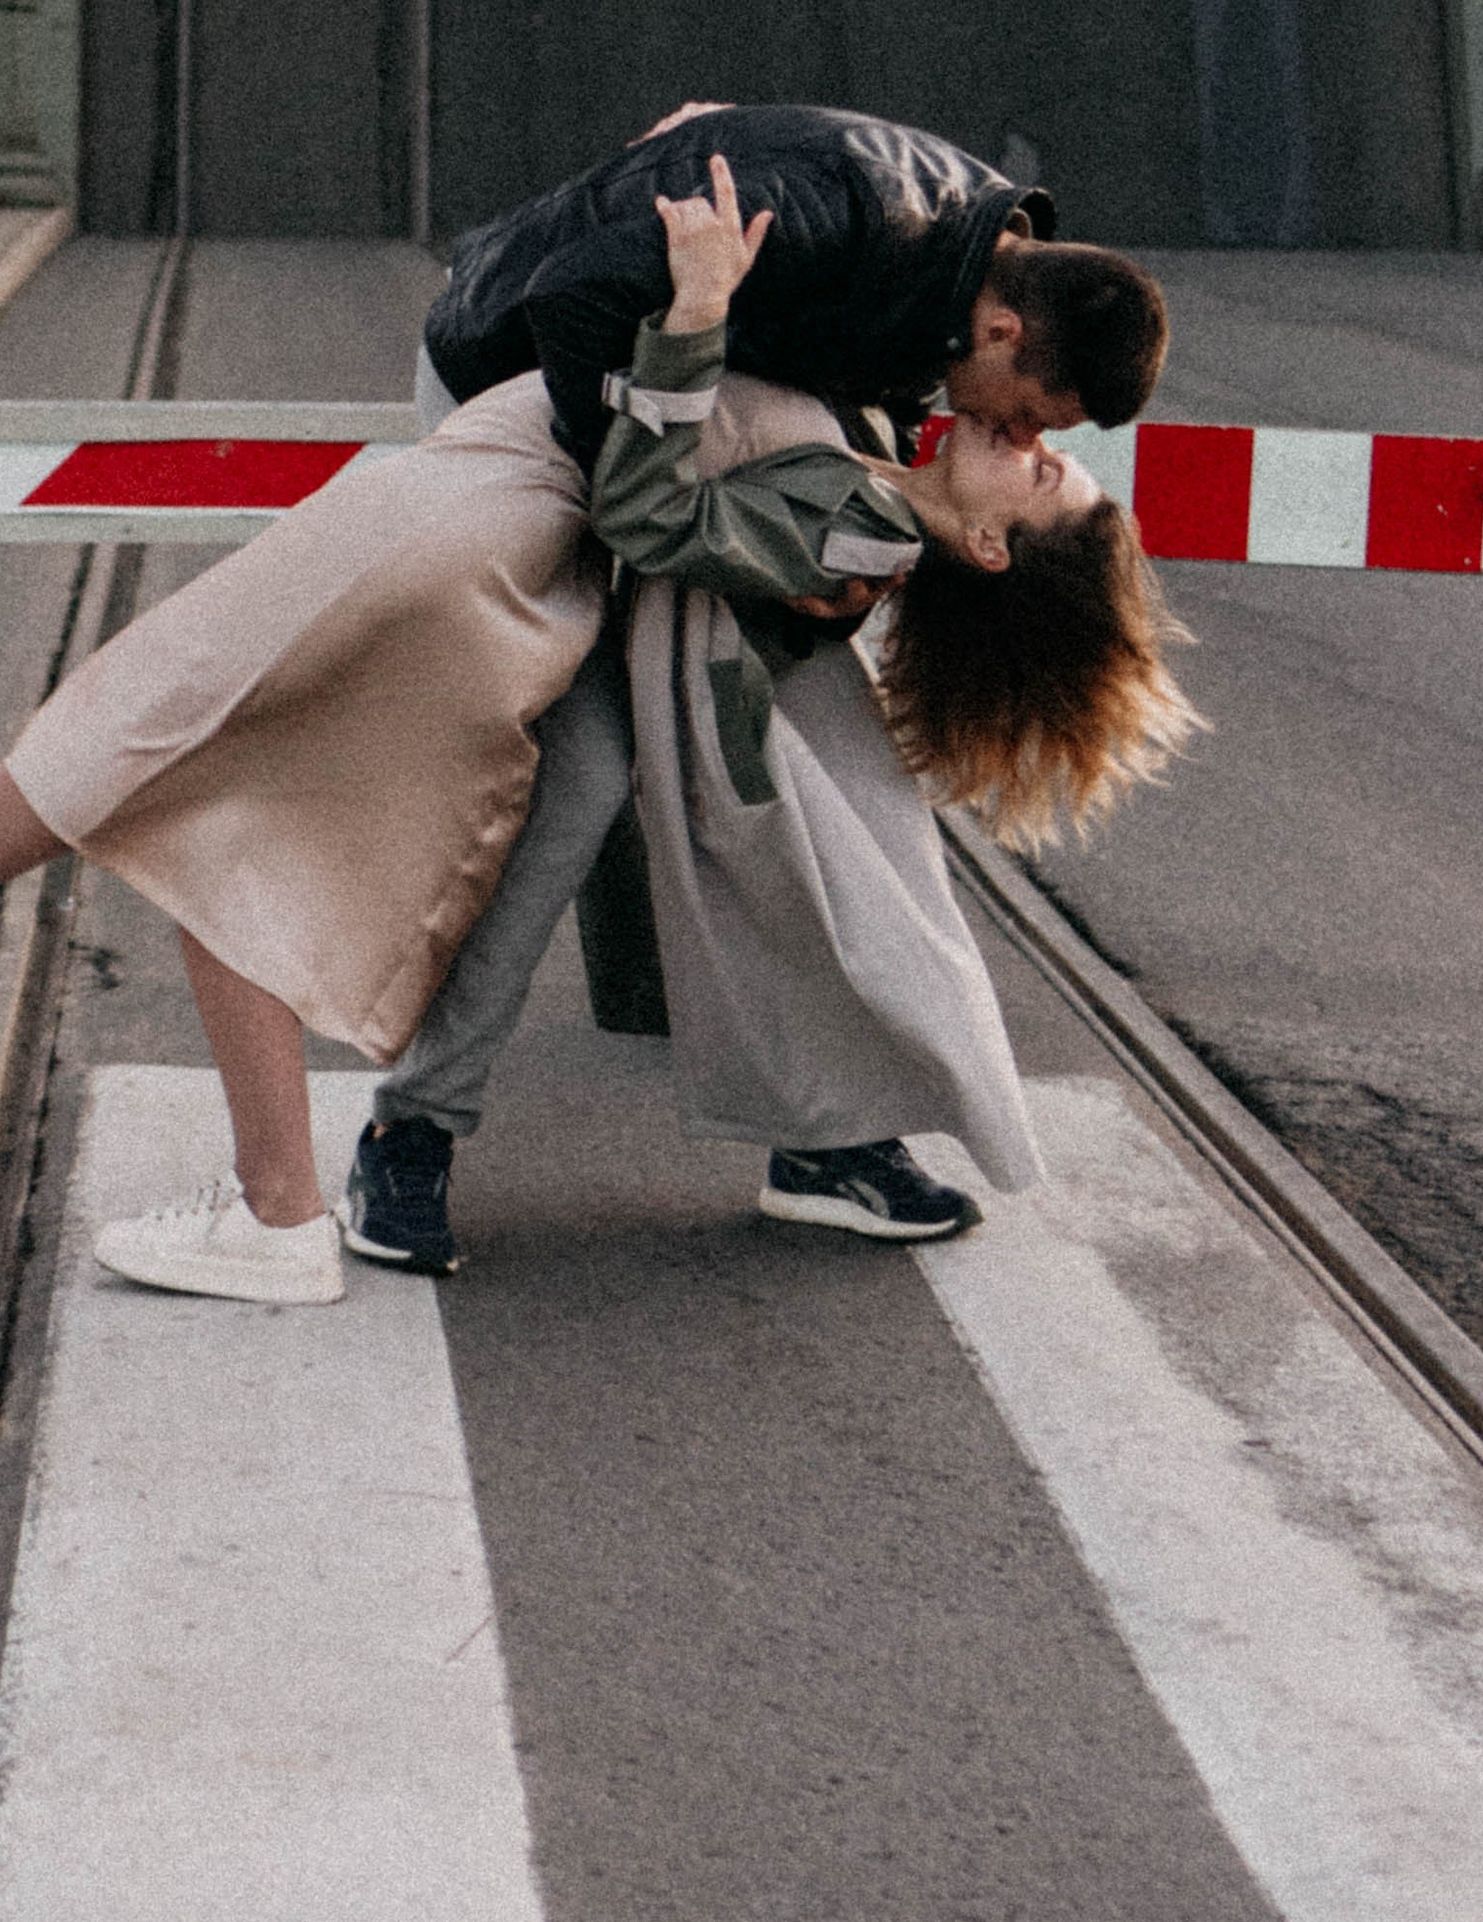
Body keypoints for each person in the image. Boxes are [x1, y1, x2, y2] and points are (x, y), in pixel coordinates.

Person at [0, 169, 1185, 1306]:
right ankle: (265, 1191)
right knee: (194, 778)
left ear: (989, 555)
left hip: (472, 531)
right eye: (1047, 437)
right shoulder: (878, 436)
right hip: (475, 514)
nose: (1028, 443)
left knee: (166, 741)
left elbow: (655, 508)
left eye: (1043, 474)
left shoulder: (854, 534)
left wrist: (698, 313)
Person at [350, 101, 1172, 1268]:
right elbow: (577, 313)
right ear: (997, 326)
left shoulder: (930, 353)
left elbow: (753, 477)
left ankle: (813, 1137)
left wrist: (698, 471)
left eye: (1038, 458)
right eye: (1035, 416)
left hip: (653, 481)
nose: (1017, 435)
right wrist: (652, 439)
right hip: (525, 392)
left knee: (672, 799)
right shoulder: (865, 231)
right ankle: (416, 1132)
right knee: (582, 784)